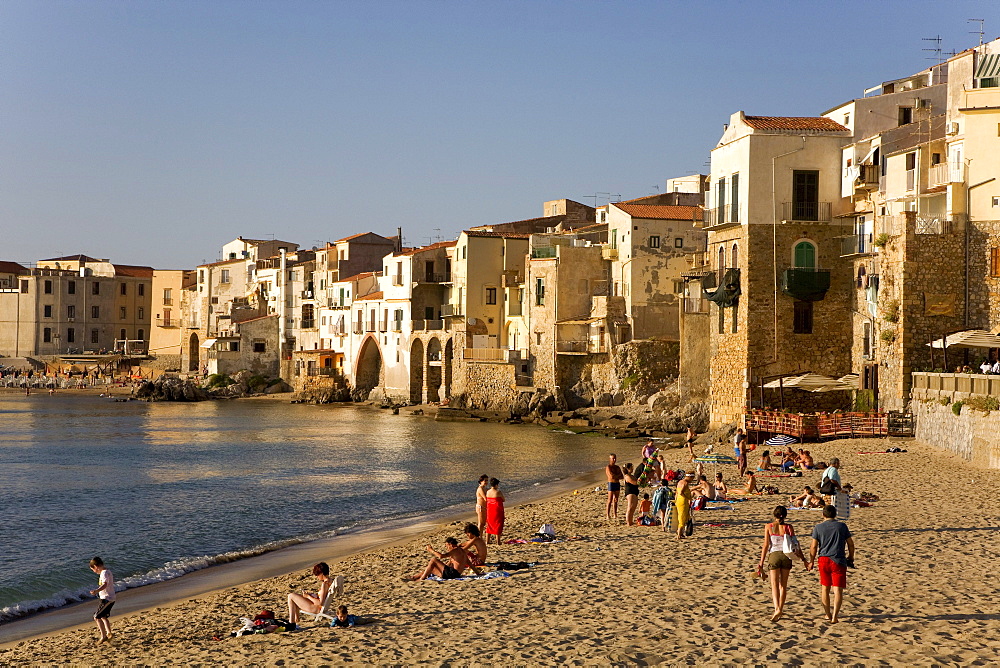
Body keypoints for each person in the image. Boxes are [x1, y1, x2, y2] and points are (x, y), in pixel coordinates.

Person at [757, 505, 808, 622]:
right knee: (783, 585)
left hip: (774, 555)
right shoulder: (789, 527)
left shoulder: (769, 527)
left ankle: (777, 608)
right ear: (785, 516)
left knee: (774, 584)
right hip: (786, 556)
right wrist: (804, 559)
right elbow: (796, 544)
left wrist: (761, 562)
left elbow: (766, 545)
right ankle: (781, 607)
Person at [808, 505, 856, 623]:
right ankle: (835, 616)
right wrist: (851, 556)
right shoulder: (842, 526)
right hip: (838, 559)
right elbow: (850, 543)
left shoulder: (818, 527)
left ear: (823, 514)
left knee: (825, 588)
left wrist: (811, 561)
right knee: (837, 590)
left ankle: (827, 614)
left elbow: (814, 546)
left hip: (823, 559)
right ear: (835, 514)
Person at [287, 562, 333, 626]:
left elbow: (320, 603)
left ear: (322, 573)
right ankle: (296, 619)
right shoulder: (331, 581)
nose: (317, 577)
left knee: (291, 596)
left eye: (317, 574)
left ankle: (291, 622)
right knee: (296, 597)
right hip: (320, 607)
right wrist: (312, 596)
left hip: (316, 608)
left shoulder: (324, 584)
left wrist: (308, 596)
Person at [88, 557, 116, 643]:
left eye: (93, 570)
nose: (94, 572)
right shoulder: (108, 571)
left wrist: (96, 591)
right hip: (109, 598)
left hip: (107, 598)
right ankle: (109, 633)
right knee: (103, 616)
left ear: (96, 567)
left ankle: (104, 636)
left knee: (96, 617)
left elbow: (105, 584)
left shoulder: (104, 573)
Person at [672, 473, 694, 540]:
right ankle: (679, 534)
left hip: (679, 501)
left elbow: (677, 493)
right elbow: (681, 492)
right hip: (683, 502)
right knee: (682, 517)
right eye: (692, 479)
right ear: (689, 477)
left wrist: (675, 500)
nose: (692, 480)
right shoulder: (685, 483)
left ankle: (681, 533)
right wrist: (688, 498)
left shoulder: (680, 482)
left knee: (682, 516)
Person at [485, 478, 505, 544]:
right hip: (497, 510)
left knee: (489, 525)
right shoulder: (498, 492)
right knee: (498, 524)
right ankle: (498, 541)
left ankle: (487, 540)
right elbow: (503, 499)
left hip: (490, 510)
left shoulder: (488, 492)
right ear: (496, 485)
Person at [605, 453, 624, 521]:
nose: (614, 460)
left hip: (617, 483)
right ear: (610, 459)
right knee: (609, 500)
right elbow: (611, 476)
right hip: (611, 483)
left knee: (616, 500)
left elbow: (621, 476)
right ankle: (608, 514)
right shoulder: (608, 467)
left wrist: (616, 476)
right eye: (613, 458)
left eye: (615, 458)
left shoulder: (617, 467)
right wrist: (617, 476)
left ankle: (615, 513)